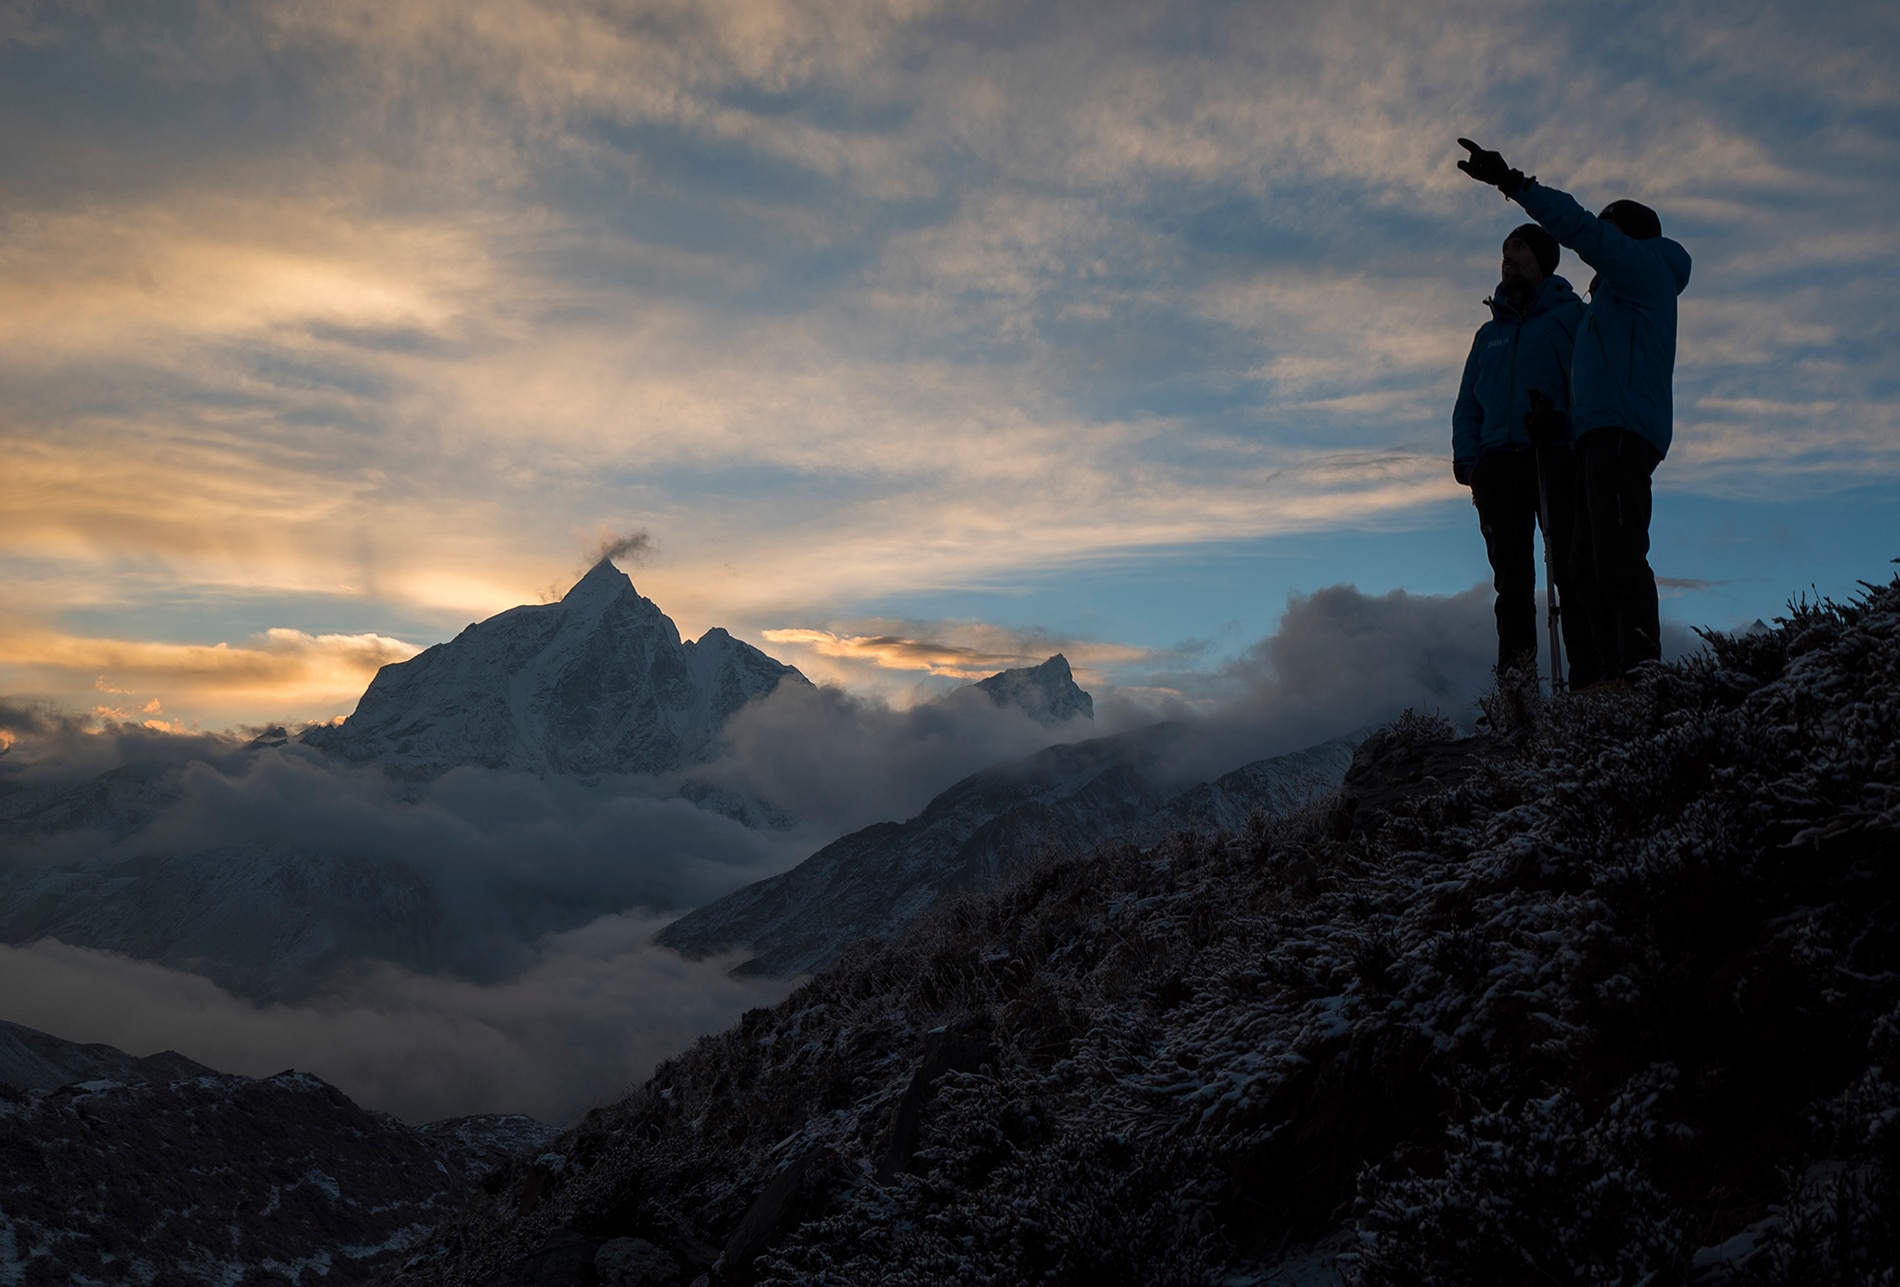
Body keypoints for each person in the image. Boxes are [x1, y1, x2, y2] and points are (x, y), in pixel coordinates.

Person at [1456, 138, 1693, 681]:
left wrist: (1512, 183)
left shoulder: (1640, 273)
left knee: (1613, 560)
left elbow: (1581, 229)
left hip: (1617, 434)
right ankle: (1597, 694)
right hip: (1590, 437)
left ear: (1626, 236)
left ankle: (1637, 686)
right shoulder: (1604, 303)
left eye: (1611, 233)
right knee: (1586, 568)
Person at [1452, 224, 1595, 684]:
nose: (1507, 257)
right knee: (1511, 587)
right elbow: (1468, 402)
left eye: (1518, 248)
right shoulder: (1487, 334)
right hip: (1496, 466)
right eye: (1504, 250)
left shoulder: (1569, 317)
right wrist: (1468, 460)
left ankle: (1588, 690)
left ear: (1542, 259)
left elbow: (1589, 385)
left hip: (1555, 455)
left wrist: (1567, 429)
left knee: (1572, 578)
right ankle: (1518, 697)